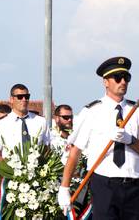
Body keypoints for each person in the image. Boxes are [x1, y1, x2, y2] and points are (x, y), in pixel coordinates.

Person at [59, 56, 139, 219]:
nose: (123, 82)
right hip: (104, 184)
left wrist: (130, 140)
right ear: (106, 82)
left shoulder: (136, 111)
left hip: (134, 186)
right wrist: (64, 188)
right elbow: (75, 152)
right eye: (117, 77)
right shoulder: (91, 112)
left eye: (126, 78)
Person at [0, 84, 48, 166]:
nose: (24, 99)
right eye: (20, 97)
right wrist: (10, 169)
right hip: (11, 175)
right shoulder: (1, 125)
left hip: (36, 174)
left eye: (27, 96)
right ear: (12, 99)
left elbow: (47, 150)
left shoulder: (41, 122)